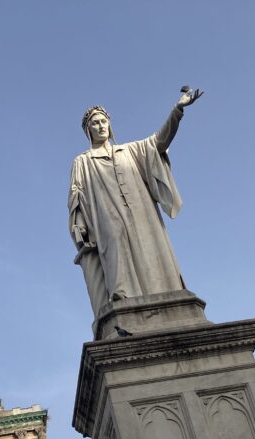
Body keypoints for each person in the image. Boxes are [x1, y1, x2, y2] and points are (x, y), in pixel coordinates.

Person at [69, 87, 203, 317]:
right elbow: (77, 196)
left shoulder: (130, 150)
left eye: (103, 121)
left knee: (154, 253)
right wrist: (79, 224)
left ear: (109, 124)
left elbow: (160, 140)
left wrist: (178, 110)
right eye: (95, 123)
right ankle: (125, 304)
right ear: (87, 131)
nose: (101, 126)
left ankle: (168, 298)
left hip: (142, 214)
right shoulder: (82, 161)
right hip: (107, 218)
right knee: (117, 259)